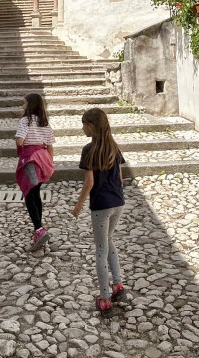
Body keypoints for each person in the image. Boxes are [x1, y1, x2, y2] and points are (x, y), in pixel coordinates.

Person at [72, 107, 127, 318]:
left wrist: (78, 206)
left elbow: (89, 182)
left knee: (100, 250)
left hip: (101, 206)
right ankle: (118, 285)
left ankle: (104, 298)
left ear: (92, 126)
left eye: (84, 124)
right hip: (118, 203)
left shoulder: (89, 150)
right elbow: (120, 178)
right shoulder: (114, 147)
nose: (82, 128)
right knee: (109, 241)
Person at [15, 93, 55, 251]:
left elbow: (20, 140)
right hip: (43, 158)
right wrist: (50, 163)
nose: (23, 106)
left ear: (30, 105)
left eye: (24, 103)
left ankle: (39, 230)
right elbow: (50, 145)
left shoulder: (25, 121)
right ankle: (39, 226)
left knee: (29, 194)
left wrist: (21, 141)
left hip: (30, 160)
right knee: (36, 192)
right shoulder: (45, 123)